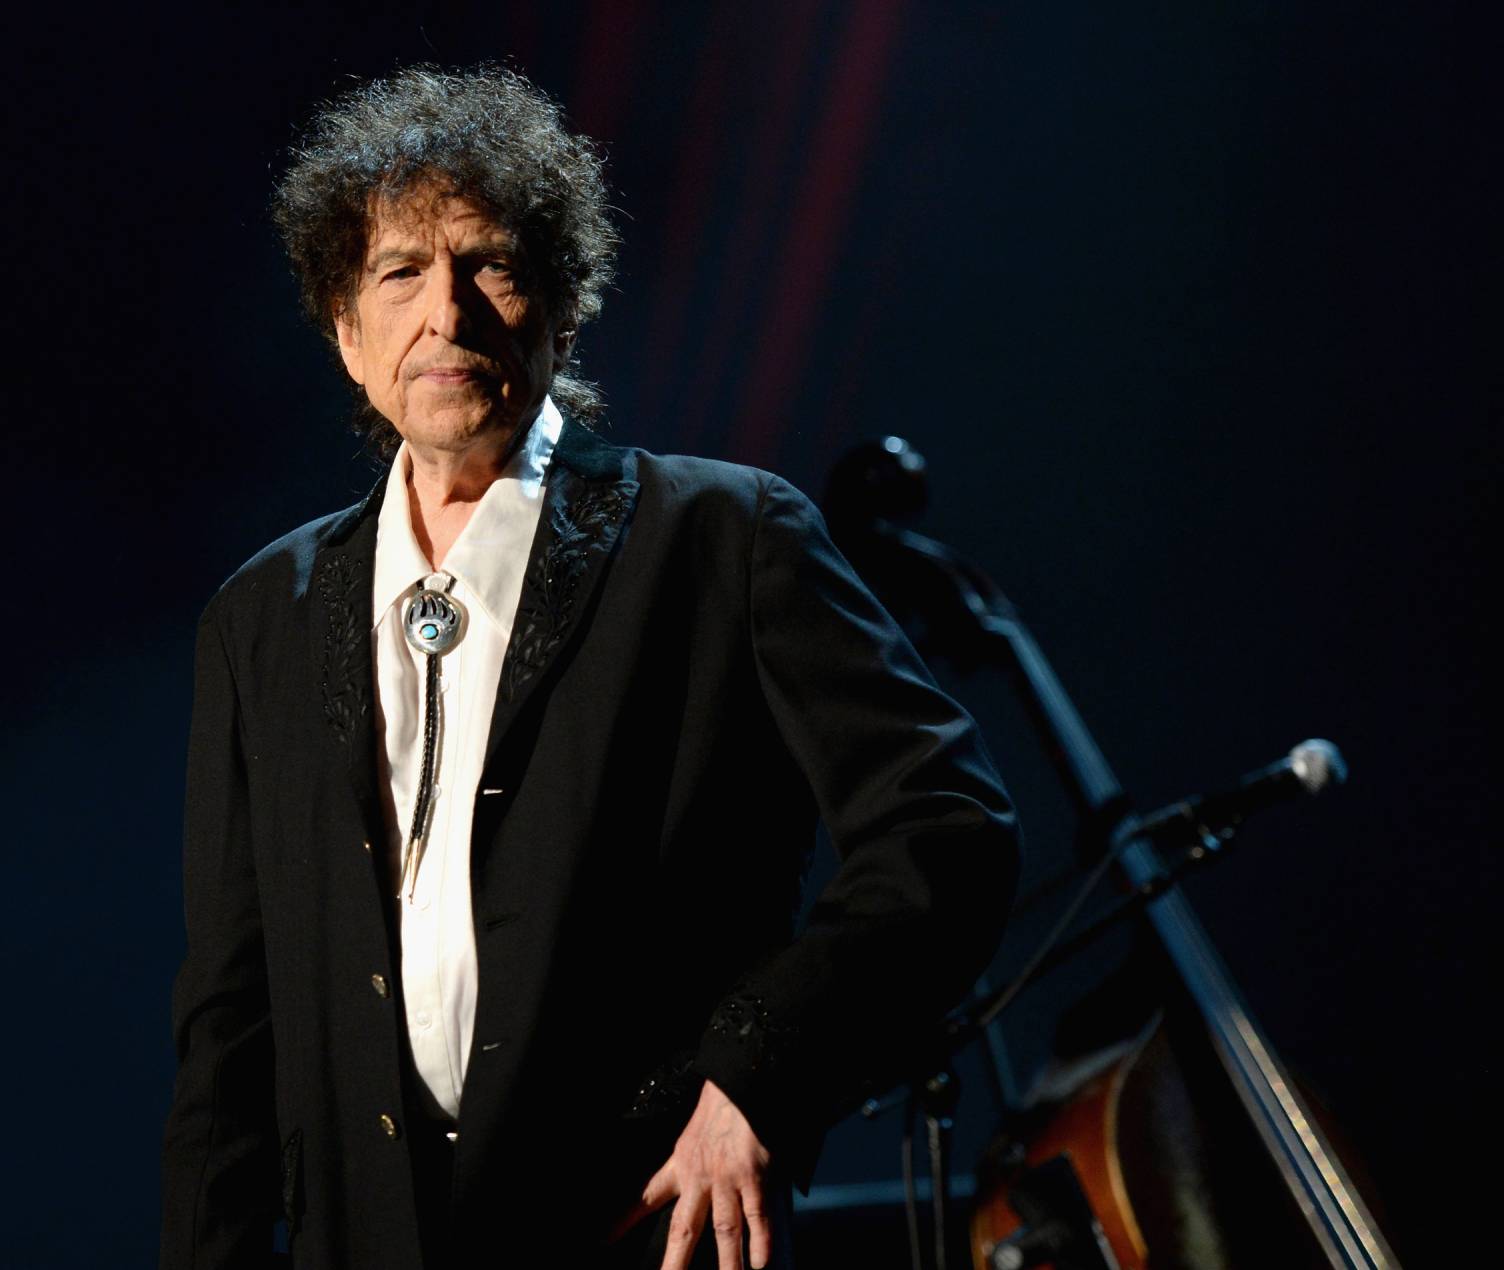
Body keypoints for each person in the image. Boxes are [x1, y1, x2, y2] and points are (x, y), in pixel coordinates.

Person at [161, 65, 1018, 1270]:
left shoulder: (723, 536)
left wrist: (757, 1078)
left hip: (643, 1231)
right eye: (399, 273)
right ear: (346, 336)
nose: (444, 316)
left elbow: (947, 831)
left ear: (562, 308)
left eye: (488, 265)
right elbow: (228, 1038)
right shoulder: (260, 616)